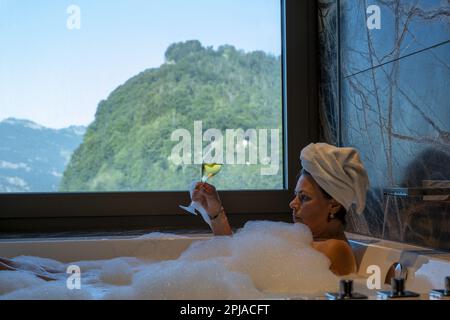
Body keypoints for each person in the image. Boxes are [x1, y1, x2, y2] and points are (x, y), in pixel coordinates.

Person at [192, 143, 369, 276]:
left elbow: (253, 274)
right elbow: (240, 260)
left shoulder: (335, 250)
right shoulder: (305, 241)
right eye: (295, 195)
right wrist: (215, 212)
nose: (292, 204)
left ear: (334, 205)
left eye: (304, 197)